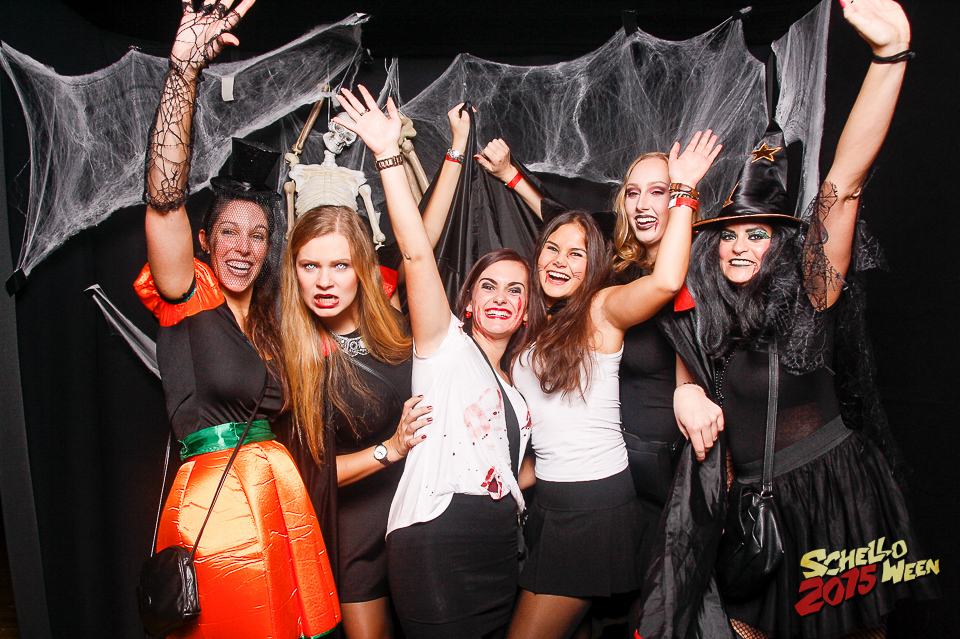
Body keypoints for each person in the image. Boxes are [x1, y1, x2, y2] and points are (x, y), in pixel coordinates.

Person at [664, 2, 937, 637]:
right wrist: (685, 391)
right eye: (728, 236)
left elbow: (844, 184)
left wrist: (890, 57)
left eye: (756, 235)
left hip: (834, 496)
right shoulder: (709, 312)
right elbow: (689, 362)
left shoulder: (812, 294)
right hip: (752, 508)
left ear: (781, 244)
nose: (737, 247)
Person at [135, 1, 340, 637]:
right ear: (204, 241)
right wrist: (184, 70)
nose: (244, 247)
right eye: (229, 231)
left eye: (257, 234)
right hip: (217, 505)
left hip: (276, 495)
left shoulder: (276, 322)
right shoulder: (189, 294)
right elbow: (164, 202)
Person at [334, 85, 534, 639]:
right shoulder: (445, 344)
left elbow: (512, 466)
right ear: (467, 303)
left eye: (515, 290)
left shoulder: (516, 386)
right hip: (439, 536)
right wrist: (387, 154)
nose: (500, 297)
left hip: (500, 542)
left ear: (525, 311)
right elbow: (418, 252)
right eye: (488, 285)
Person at [506, 131, 720, 638]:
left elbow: (669, 288)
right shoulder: (541, 323)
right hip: (554, 498)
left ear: (592, 268)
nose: (561, 261)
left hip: (600, 500)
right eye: (551, 250)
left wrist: (685, 189)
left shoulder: (603, 308)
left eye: (577, 256)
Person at [277, 102, 475, 639]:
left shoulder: (392, 322)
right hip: (355, 528)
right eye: (310, 266)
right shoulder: (289, 354)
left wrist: (452, 150)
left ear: (362, 269)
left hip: (423, 513)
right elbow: (305, 475)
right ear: (294, 271)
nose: (324, 281)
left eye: (339, 265)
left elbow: (420, 248)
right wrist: (391, 448)